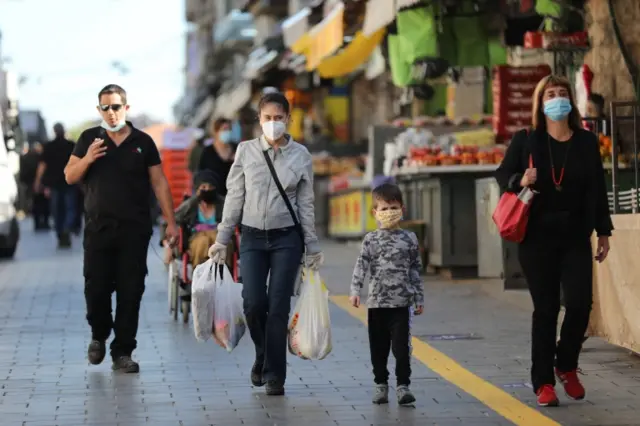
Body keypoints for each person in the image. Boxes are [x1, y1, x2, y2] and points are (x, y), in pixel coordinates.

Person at [495, 75, 613, 407]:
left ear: (571, 101)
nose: (557, 98)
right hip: (536, 237)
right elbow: (502, 175)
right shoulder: (527, 140)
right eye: (550, 93)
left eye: (563, 93)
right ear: (540, 102)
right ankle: (543, 381)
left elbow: (597, 190)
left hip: (575, 234)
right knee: (545, 309)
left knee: (579, 303)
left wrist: (603, 231)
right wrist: (521, 178)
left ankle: (566, 364)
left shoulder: (587, 142)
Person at [207, 92, 324, 396]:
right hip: (252, 238)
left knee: (278, 306)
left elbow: (306, 204)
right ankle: (262, 354)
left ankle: (275, 375)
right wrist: (222, 238)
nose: (273, 124)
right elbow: (234, 197)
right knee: (254, 303)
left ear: (289, 119)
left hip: (287, 239)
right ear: (259, 120)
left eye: (279, 118)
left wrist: (312, 246)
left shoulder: (301, 156)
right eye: (267, 118)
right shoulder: (245, 152)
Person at [64, 84, 178, 373]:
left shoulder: (143, 142)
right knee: (97, 289)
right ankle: (99, 334)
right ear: (99, 110)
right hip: (98, 230)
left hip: (134, 231)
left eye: (116, 106)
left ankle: (123, 351)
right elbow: (69, 175)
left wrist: (172, 223)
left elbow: (159, 182)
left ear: (126, 108)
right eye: (105, 107)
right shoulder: (90, 138)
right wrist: (88, 157)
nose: (111, 112)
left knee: (131, 291)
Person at [349, 183, 424, 406]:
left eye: (393, 207)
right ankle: (381, 384)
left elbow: (415, 269)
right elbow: (360, 266)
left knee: (402, 348)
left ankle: (403, 386)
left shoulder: (409, 238)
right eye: (383, 208)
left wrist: (419, 297)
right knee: (378, 347)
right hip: (377, 304)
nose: (388, 212)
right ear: (375, 213)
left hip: (402, 305)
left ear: (402, 208)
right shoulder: (370, 239)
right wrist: (355, 291)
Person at [162, 170, 231, 269]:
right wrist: (168, 246)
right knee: (202, 242)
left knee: (219, 240)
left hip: (220, 236)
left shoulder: (224, 204)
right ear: (197, 189)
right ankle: (200, 273)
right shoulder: (190, 205)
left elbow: (238, 220)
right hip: (197, 238)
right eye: (203, 187)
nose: (207, 190)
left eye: (211, 187)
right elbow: (169, 222)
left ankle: (221, 271)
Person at [34, 123, 76, 247]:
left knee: (57, 210)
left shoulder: (48, 146)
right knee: (70, 208)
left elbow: (42, 166)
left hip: (54, 183)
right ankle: (66, 229)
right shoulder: (71, 146)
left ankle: (60, 231)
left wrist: (37, 182)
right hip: (69, 181)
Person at [198, 118, 235, 196]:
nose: (227, 132)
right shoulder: (208, 152)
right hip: (215, 196)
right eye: (224, 129)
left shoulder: (236, 148)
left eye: (229, 129)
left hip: (235, 195)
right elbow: (201, 175)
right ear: (216, 131)